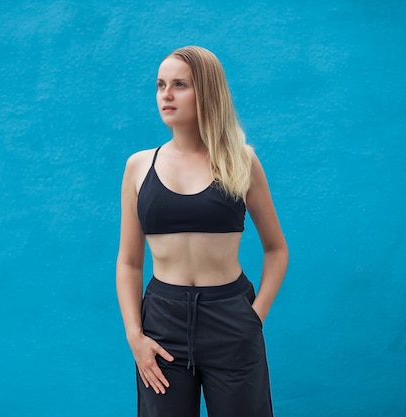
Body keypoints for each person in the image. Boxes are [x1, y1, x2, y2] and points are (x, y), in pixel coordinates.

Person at [116, 45, 289, 417]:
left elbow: (276, 249)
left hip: (230, 318)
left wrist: (253, 319)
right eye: (161, 84)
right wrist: (135, 336)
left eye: (180, 84)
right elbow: (130, 262)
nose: (166, 94)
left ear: (207, 92)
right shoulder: (138, 166)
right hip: (162, 323)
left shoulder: (241, 161)